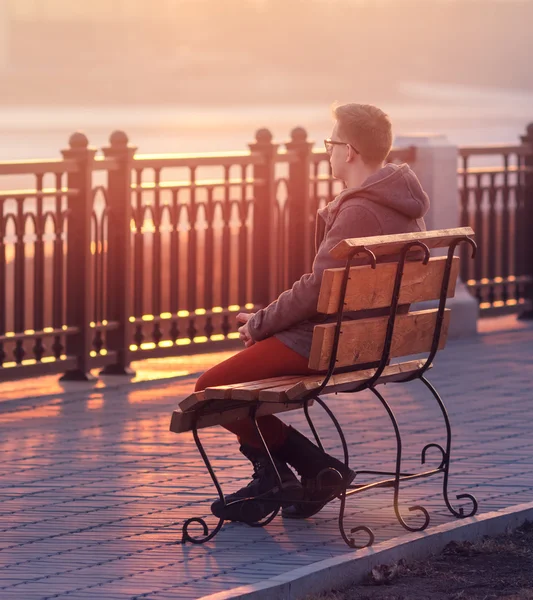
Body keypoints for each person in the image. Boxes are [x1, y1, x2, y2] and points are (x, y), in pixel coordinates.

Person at [194, 103, 430, 523]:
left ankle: (294, 473)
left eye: (332, 142)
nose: (329, 151)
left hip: (329, 344)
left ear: (350, 150)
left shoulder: (360, 209)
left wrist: (261, 322)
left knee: (209, 389)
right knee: (237, 388)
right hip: (367, 341)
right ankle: (304, 474)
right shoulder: (401, 205)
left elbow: (317, 288)